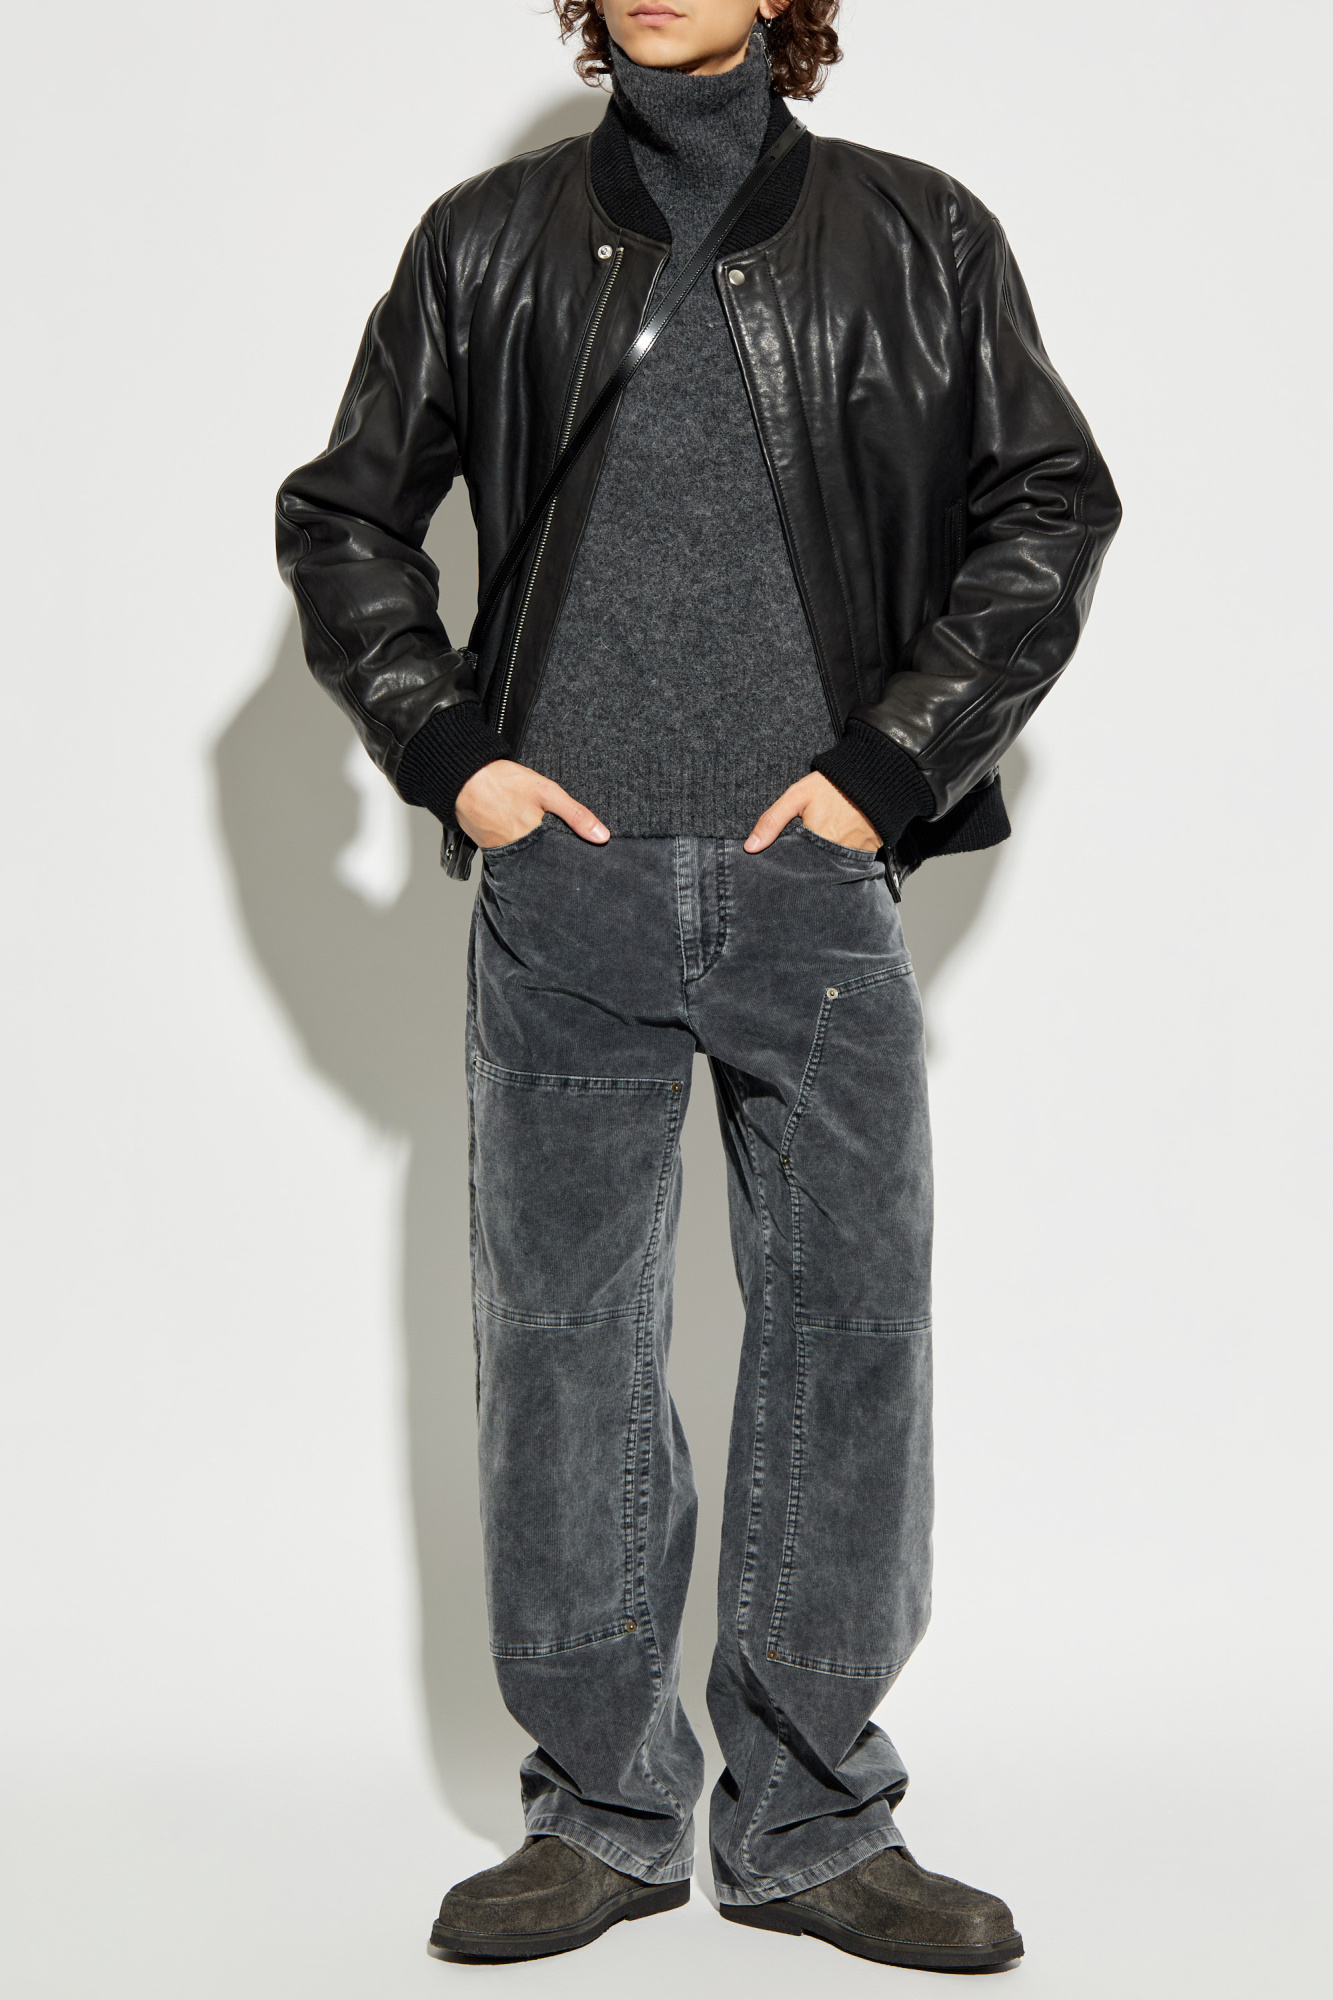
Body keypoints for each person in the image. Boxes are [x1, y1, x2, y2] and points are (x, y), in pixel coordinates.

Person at [276, 0, 1119, 1972]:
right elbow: (344, 517)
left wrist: (889, 770)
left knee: (846, 1339)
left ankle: (814, 1821)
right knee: (563, 1347)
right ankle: (603, 1813)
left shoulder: (918, 235)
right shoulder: (484, 242)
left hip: (812, 885)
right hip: (560, 886)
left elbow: (1047, 506)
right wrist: (452, 756)